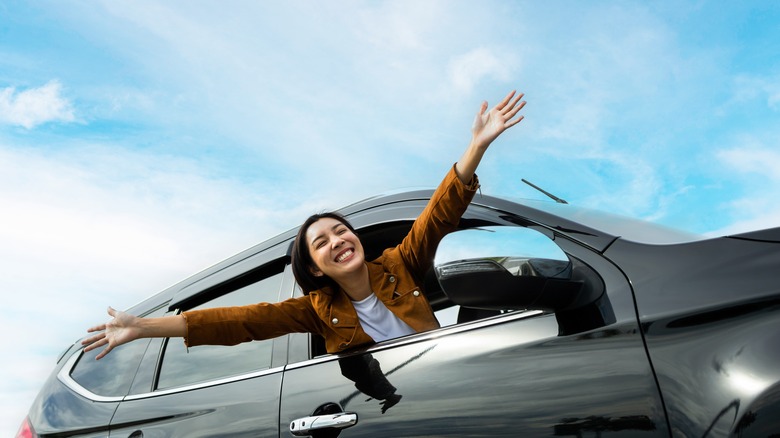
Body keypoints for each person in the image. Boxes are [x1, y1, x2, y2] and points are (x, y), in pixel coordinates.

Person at [82, 90, 526, 360]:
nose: (338, 240)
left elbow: (437, 216)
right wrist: (143, 326)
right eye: (322, 242)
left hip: (442, 375)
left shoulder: (398, 265)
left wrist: (476, 147)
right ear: (314, 267)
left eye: (341, 230)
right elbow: (238, 321)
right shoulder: (316, 311)